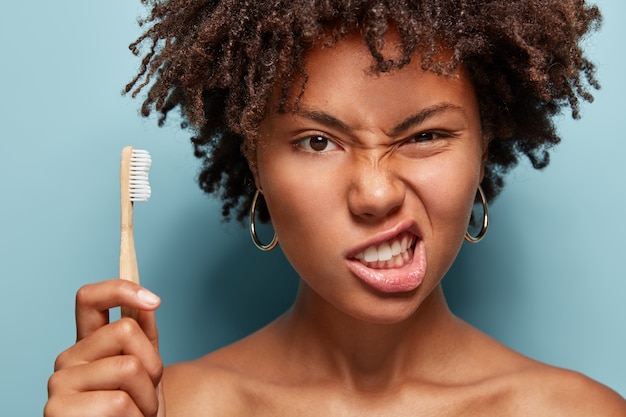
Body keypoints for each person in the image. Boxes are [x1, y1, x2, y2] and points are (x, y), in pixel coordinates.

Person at [45, 1, 626, 416]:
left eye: (424, 136)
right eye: (317, 141)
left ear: (483, 147)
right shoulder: (162, 411)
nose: (376, 195)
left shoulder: (578, 412)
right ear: (256, 164)